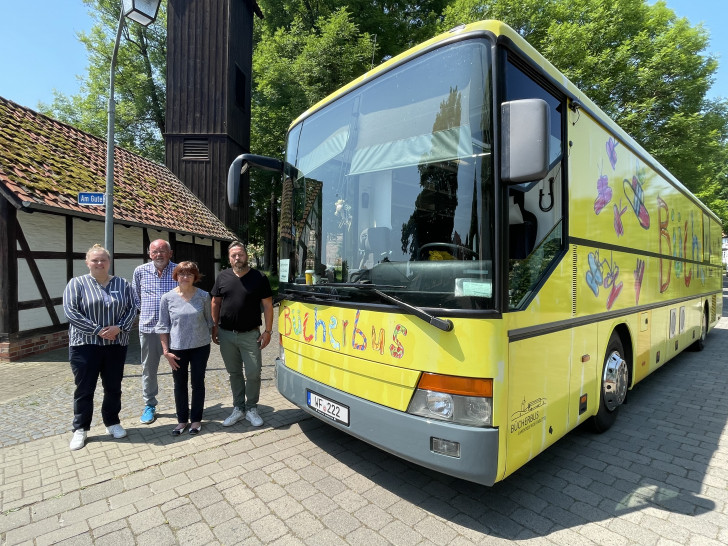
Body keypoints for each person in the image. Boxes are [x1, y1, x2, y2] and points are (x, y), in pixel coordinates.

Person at [63, 244, 137, 451]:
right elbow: (71, 312)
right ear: (87, 262)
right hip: (85, 345)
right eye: (94, 260)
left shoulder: (123, 284)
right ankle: (81, 429)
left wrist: (119, 328)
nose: (99, 263)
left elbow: (133, 308)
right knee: (85, 389)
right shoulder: (76, 284)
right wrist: (97, 330)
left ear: (109, 262)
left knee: (113, 387)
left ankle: (112, 422)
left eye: (103, 260)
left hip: (115, 344)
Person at [211, 241, 274, 427]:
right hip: (226, 334)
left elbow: (268, 306)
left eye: (240, 254)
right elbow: (215, 302)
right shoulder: (222, 277)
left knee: (254, 373)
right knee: (234, 373)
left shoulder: (259, 277)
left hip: (250, 335)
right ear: (229, 259)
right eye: (233, 255)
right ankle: (238, 408)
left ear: (246, 256)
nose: (237, 258)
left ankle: (252, 408)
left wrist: (268, 331)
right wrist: (214, 327)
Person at [156, 262, 214, 435]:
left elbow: (209, 322)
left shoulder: (203, 296)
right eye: (181, 274)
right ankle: (182, 421)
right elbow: (163, 326)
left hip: (200, 347)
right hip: (177, 349)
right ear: (176, 276)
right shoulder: (167, 298)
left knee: (198, 383)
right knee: (179, 384)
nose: (185, 277)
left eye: (189, 274)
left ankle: (196, 420)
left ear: (195, 277)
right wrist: (166, 351)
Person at [132, 239, 177, 424]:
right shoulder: (140, 271)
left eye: (163, 251)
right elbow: (135, 298)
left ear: (170, 253)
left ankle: (182, 404)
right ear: (149, 254)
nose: (159, 255)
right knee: (149, 370)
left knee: (179, 369)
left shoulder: (178, 270)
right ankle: (149, 405)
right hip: (149, 330)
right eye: (155, 251)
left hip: (175, 330)